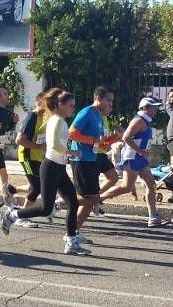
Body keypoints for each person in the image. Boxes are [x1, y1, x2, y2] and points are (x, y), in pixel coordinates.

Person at [1, 89, 90, 256]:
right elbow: (54, 145)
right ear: (60, 105)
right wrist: (73, 152)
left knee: (73, 203)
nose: (73, 109)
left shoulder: (59, 120)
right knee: (45, 209)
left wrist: (68, 151)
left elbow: (59, 144)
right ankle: (12, 215)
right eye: (70, 105)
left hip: (59, 167)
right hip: (51, 168)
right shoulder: (57, 121)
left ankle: (71, 242)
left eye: (74, 106)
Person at [100, 97, 172, 228]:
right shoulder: (139, 120)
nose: (156, 109)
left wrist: (143, 152)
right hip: (132, 157)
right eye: (153, 107)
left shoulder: (145, 120)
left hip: (139, 158)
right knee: (126, 187)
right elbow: (126, 137)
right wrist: (140, 151)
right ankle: (97, 200)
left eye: (156, 107)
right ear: (145, 108)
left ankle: (153, 217)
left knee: (151, 184)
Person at [67, 87, 114, 244]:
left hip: (91, 159)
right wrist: (93, 141)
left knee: (92, 200)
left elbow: (98, 141)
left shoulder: (99, 116)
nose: (110, 103)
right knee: (91, 200)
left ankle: (73, 232)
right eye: (108, 100)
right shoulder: (86, 112)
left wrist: (113, 139)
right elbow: (72, 133)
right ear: (98, 98)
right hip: (81, 159)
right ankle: (60, 203)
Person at [12, 92, 47, 228]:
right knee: (37, 187)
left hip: (37, 156)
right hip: (27, 156)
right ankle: (22, 216)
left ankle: (12, 190)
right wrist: (39, 146)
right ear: (39, 103)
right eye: (47, 102)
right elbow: (19, 139)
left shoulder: (45, 118)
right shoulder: (31, 116)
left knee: (38, 184)